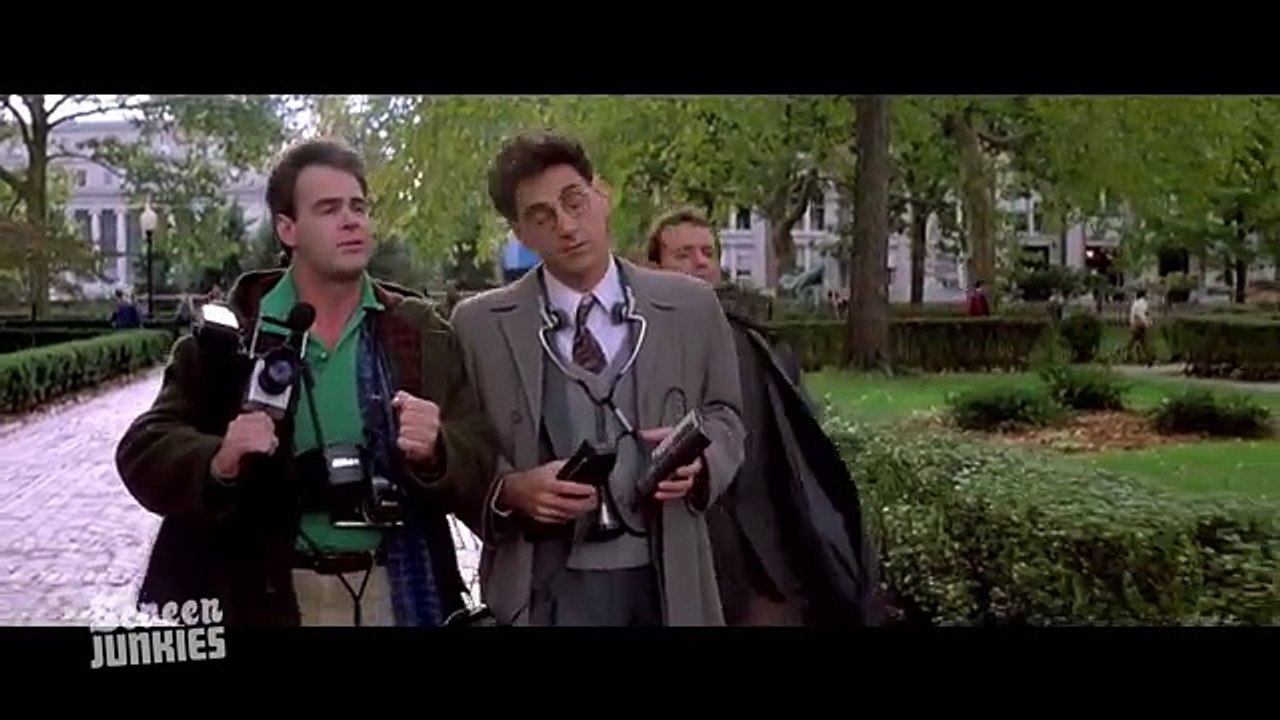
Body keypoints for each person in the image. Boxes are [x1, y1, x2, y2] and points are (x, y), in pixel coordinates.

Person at [115, 139, 497, 627]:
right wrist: (219, 459)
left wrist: (438, 450)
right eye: (329, 209)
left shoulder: (417, 332)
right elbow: (143, 451)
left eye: (358, 207)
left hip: (400, 592)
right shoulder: (234, 337)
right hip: (266, 598)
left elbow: (481, 457)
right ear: (287, 229)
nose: (351, 220)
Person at [449, 131, 746, 626]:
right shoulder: (478, 326)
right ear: (520, 234)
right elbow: (463, 449)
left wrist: (703, 462)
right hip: (542, 589)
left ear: (602, 195)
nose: (567, 226)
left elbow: (726, 415)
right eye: (542, 217)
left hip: (666, 580)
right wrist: (512, 489)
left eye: (575, 202)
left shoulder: (692, 307)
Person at [647, 207, 882, 627]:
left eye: (707, 252)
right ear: (654, 266)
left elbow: (791, 440)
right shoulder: (638, 338)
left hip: (761, 538)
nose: (700, 263)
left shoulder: (754, 337)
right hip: (677, 534)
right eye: (683, 254)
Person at [1128, 289, 1152, 365]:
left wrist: (1132, 323)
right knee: (1143, 342)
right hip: (1141, 324)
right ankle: (1147, 358)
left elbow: (1133, 314)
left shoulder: (1135, 303)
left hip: (1136, 324)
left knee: (1133, 342)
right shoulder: (1144, 303)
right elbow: (1145, 313)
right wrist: (1147, 322)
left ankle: (1131, 356)